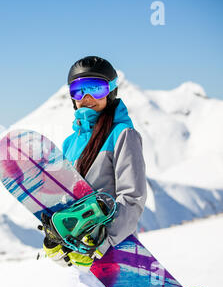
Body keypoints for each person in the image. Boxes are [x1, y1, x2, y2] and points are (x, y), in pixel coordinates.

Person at [43, 56, 147, 270]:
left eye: (96, 89)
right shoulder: (70, 143)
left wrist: (102, 243)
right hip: (80, 262)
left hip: (111, 254)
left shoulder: (122, 134)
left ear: (111, 91)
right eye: (78, 90)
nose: (87, 97)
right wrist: (55, 237)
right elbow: (67, 199)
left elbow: (132, 197)